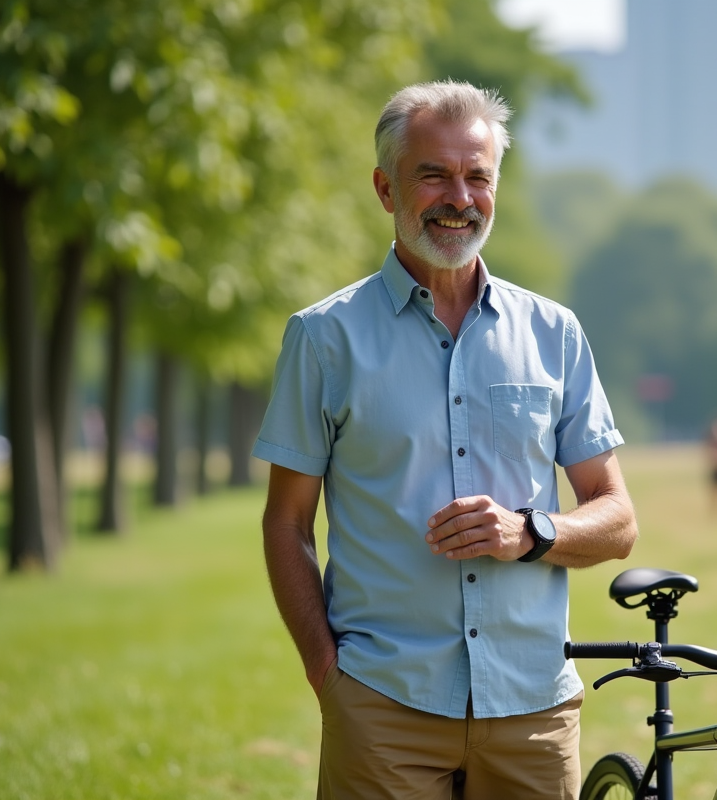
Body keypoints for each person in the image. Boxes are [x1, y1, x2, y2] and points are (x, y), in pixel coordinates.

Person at [253, 81, 638, 800]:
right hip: (382, 706)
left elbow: (616, 517)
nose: (458, 197)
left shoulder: (554, 334)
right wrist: (324, 672)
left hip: (533, 710)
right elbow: (285, 524)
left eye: (477, 177)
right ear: (385, 187)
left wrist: (531, 531)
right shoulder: (323, 338)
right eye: (433, 174)